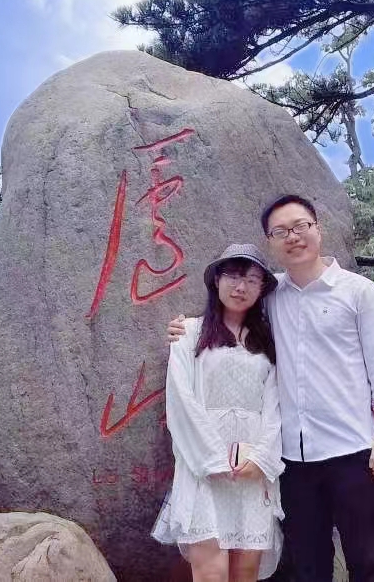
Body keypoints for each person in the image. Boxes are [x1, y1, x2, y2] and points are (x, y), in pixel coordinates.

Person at [168, 195, 374, 582]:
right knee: (308, 566)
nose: (292, 237)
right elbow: (229, 309)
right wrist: (185, 328)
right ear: (270, 241)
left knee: (367, 561)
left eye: (300, 227)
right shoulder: (270, 294)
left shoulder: (359, 292)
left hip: (352, 449)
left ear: (318, 229)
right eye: (280, 232)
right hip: (293, 461)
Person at [153, 244, 285, 582]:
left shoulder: (268, 343)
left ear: (262, 289)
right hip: (203, 470)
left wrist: (262, 459)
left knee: (245, 574)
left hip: (252, 471)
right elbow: (181, 401)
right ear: (216, 280)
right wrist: (212, 460)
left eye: (252, 280)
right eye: (233, 276)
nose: (241, 287)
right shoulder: (189, 334)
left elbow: (275, 407)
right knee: (210, 572)